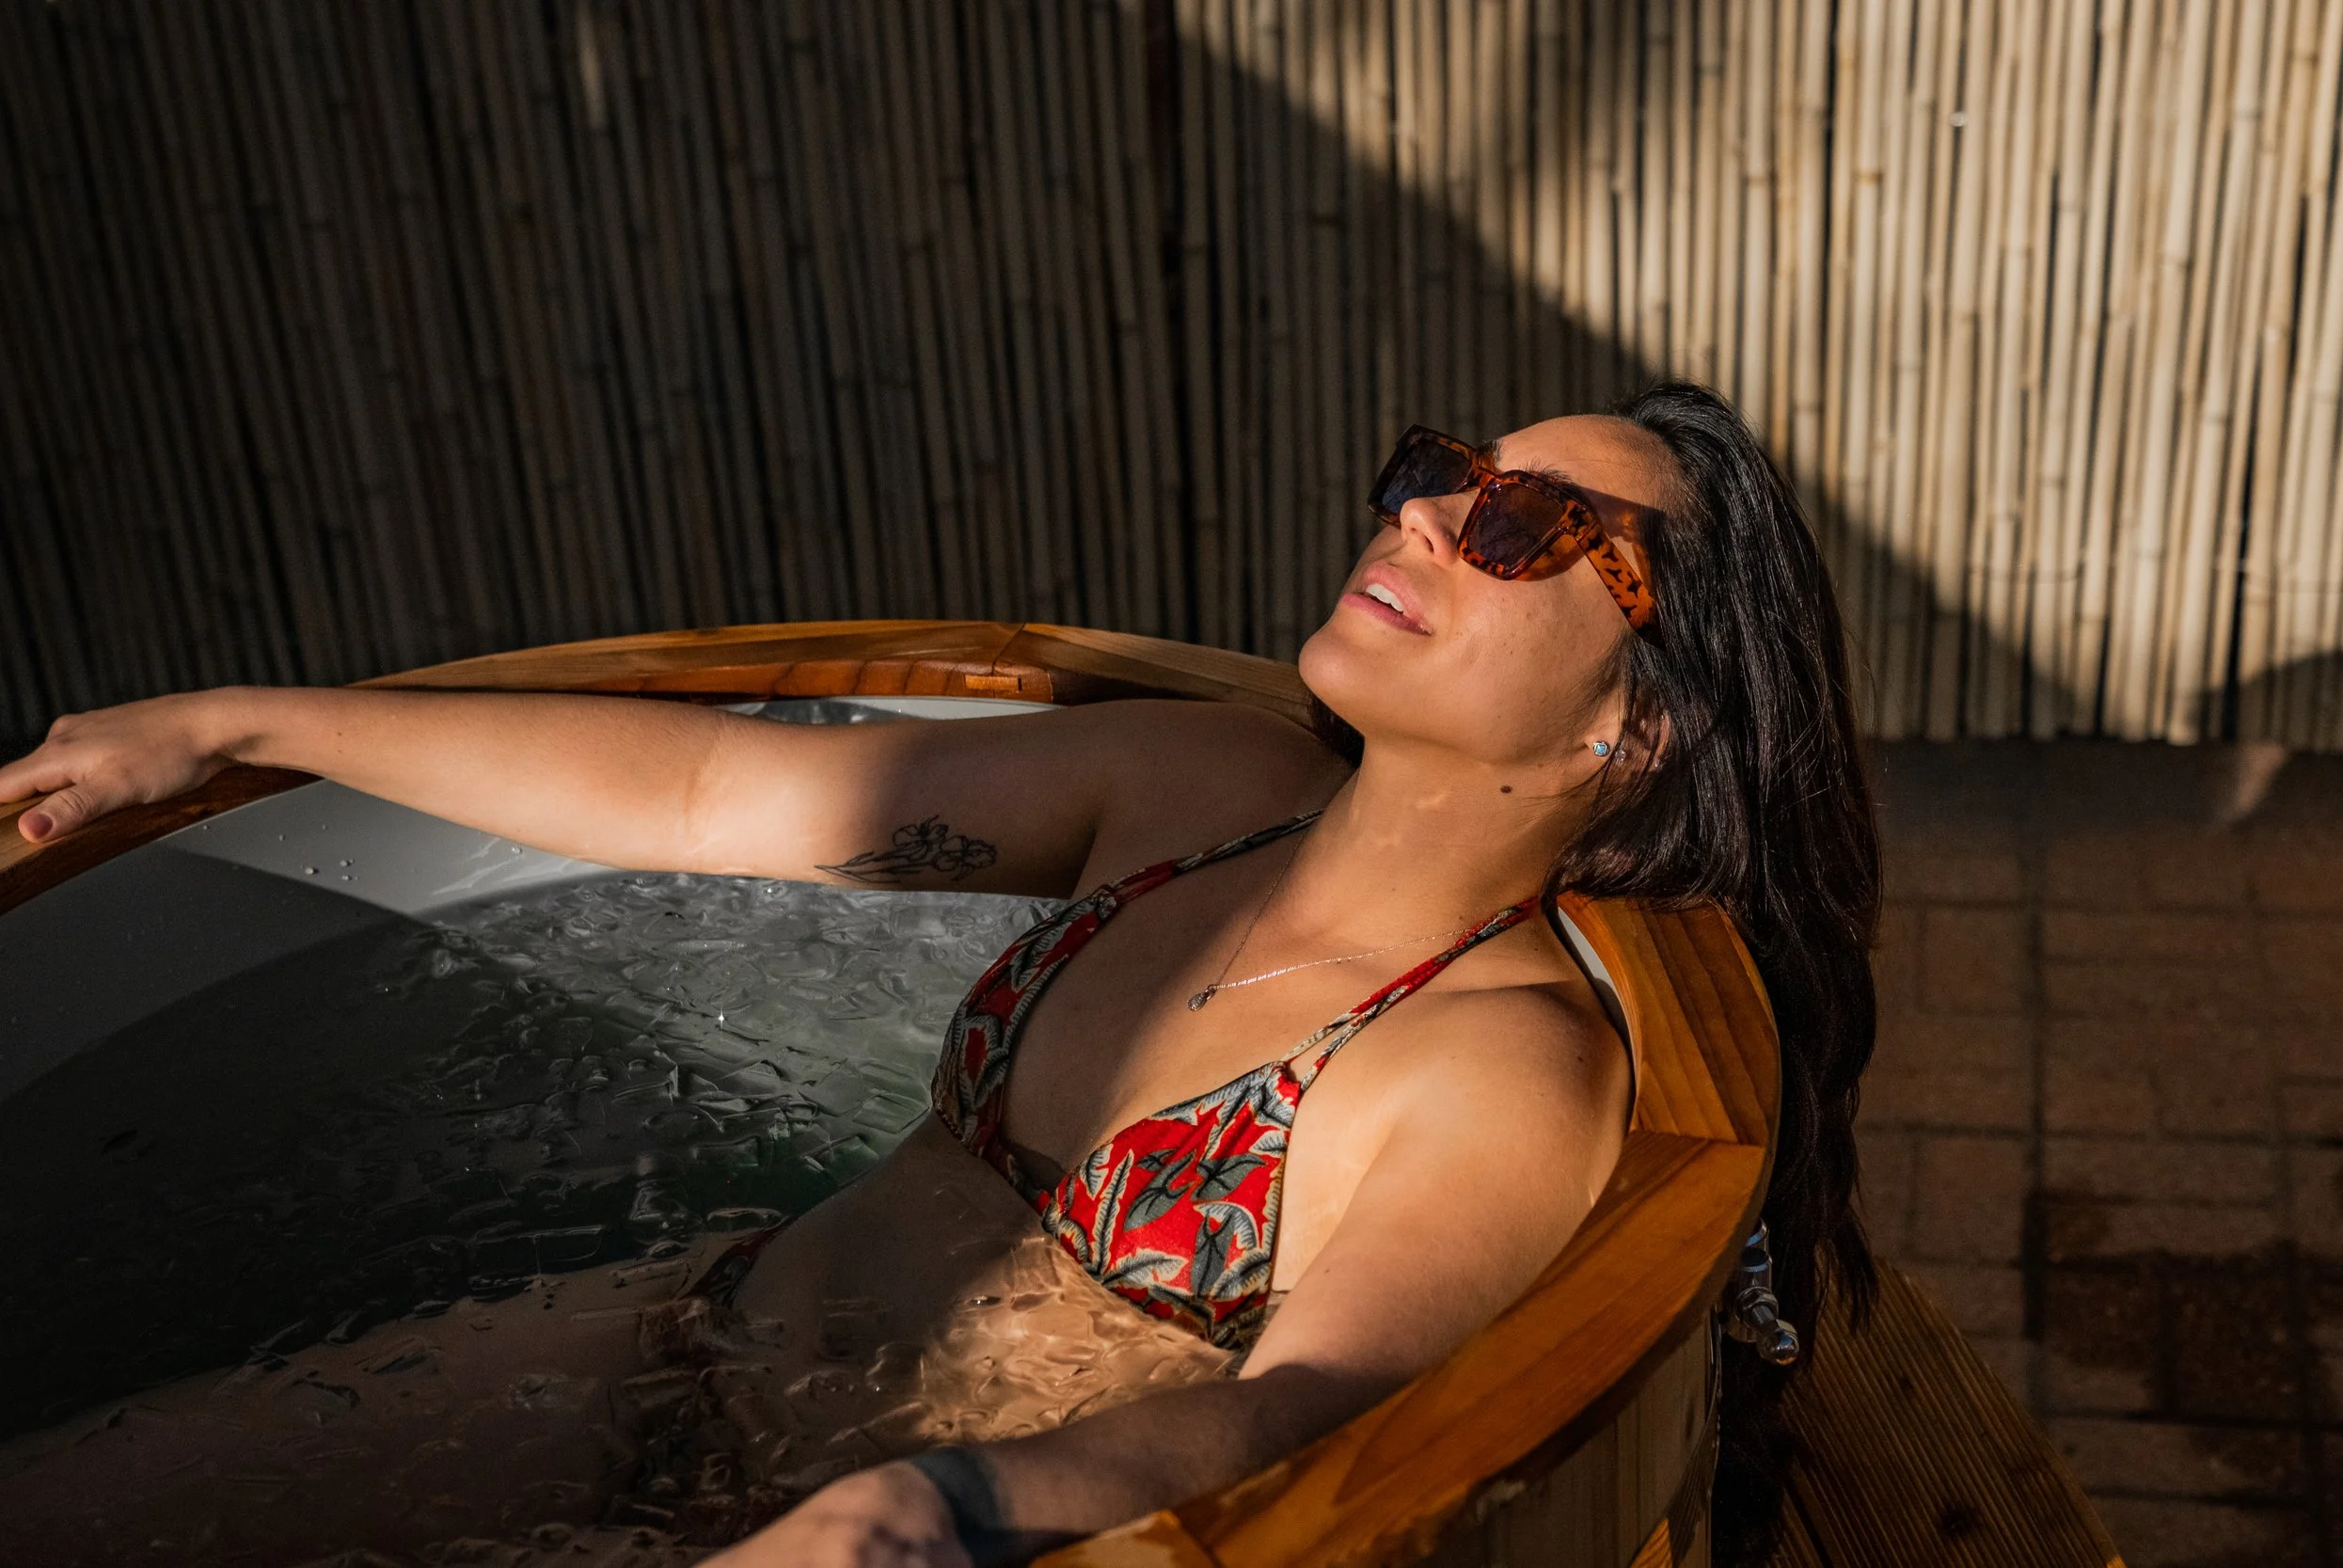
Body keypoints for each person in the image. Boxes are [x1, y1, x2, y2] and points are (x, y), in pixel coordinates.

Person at [0, 381, 1877, 1568]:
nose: (1420, 514)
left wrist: (939, 1506)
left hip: (897, 1532)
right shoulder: (1199, 790)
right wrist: (238, 722)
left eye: (1525, 527)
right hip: (669, 1341)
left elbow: (1293, 1412)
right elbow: (707, 783)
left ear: (1634, 729)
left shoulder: (1493, 1064)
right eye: (1439, 471)